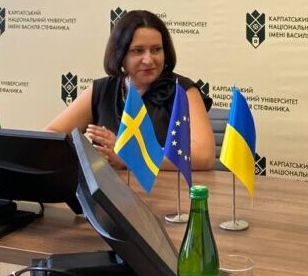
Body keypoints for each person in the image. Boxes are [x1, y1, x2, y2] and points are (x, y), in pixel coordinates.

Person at [46, 10, 216, 170]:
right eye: (137, 51)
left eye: (156, 50)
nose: (148, 59)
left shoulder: (183, 91)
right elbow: (51, 136)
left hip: (164, 189)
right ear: (120, 55)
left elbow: (204, 155)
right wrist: (87, 156)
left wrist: (132, 157)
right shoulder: (102, 90)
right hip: (110, 187)